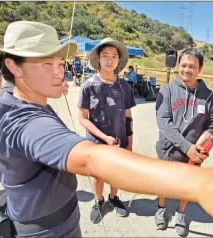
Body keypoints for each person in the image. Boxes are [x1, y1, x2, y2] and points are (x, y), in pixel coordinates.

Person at [0, 20, 213, 237]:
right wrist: (205, 183)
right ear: (14, 66)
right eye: (48, 65)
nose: (61, 73)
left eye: (60, 63)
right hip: (43, 230)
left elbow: (127, 118)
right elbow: (90, 159)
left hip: (56, 214)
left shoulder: (13, 99)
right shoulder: (22, 120)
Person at [154, 48, 213, 235]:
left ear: (200, 69)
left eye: (192, 66)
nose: (186, 70)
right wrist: (186, 146)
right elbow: (163, 122)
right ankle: (160, 208)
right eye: (183, 65)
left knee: (187, 187)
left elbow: (212, 123)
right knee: (161, 183)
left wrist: (199, 144)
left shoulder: (208, 96)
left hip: (193, 153)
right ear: (178, 66)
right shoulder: (166, 90)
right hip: (167, 149)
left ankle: (181, 213)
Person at [77, 38, 135, 223]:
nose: (110, 60)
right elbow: (82, 119)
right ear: (98, 59)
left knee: (116, 172)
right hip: (96, 142)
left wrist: (129, 143)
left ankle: (113, 198)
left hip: (119, 140)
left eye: (114, 56)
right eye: (105, 56)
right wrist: (104, 137)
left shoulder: (124, 86)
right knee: (97, 174)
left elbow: (128, 116)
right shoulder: (89, 86)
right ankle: (99, 200)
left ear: (119, 60)